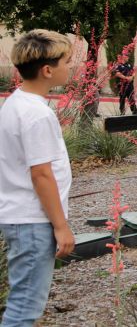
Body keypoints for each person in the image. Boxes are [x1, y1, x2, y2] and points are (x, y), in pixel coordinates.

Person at [0, 30, 76, 327]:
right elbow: (41, 174)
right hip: (32, 221)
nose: (70, 67)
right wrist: (61, 226)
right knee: (25, 309)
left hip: (20, 217)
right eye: (67, 62)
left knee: (23, 302)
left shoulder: (15, 103)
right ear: (48, 70)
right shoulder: (37, 114)